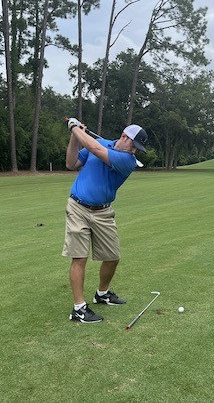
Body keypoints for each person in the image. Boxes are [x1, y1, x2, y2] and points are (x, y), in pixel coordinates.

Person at [63, 117, 148, 323]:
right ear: (123, 136)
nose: (134, 151)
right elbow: (71, 163)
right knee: (79, 257)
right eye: (133, 145)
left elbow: (93, 148)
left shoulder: (126, 161)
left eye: (137, 148)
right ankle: (79, 308)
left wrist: (74, 127)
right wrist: (75, 136)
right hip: (78, 207)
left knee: (112, 257)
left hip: (103, 212)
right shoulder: (101, 143)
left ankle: (102, 293)